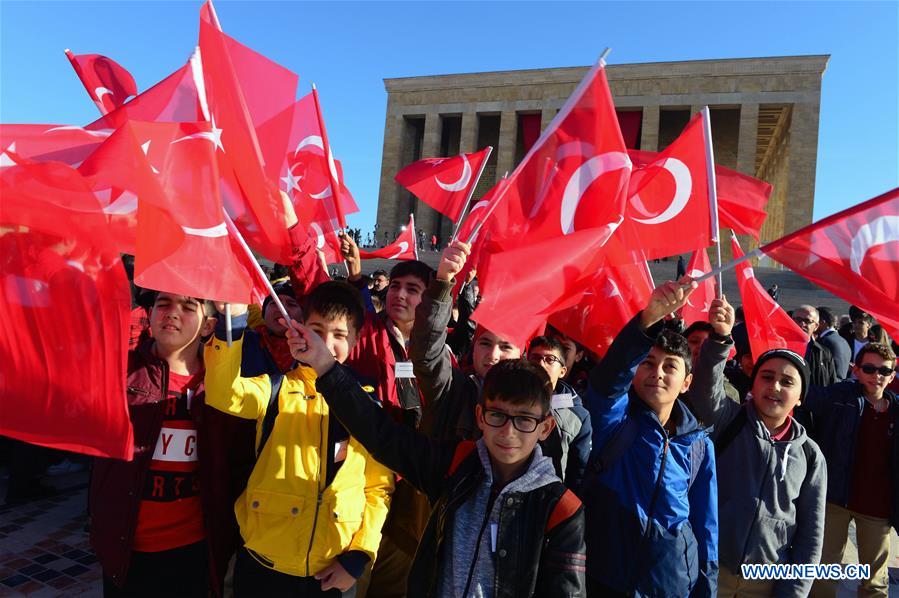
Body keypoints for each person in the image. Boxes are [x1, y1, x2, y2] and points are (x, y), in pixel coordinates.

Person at [285, 318, 587, 596]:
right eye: (498, 415)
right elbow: (382, 434)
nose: (509, 432)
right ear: (480, 416)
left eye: (524, 420)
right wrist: (324, 364)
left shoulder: (561, 509)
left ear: (545, 427)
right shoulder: (456, 466)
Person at [204, 282, 393, 597]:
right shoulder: (277, 389)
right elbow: (225, 394)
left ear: (357, 341)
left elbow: (377, 488)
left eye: (339, 335)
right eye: (316, 330)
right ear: (300, 330)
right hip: (264, 563)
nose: (326, 343)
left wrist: (359, 554)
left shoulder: (367, 406)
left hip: (331, 570)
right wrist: (232, 323)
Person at [90, 292, 239, 597]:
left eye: (187, 307)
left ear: (209, 326)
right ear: (150, 315)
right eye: (164, 304)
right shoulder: (119, 370)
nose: (172, 313)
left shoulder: (224, 386)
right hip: (125, 547)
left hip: (195, 551)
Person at [580, 279, 718, 597]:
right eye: (648, 363)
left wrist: (706, 588)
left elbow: (706, 525)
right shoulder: (615, 422)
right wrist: (648, 321)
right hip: (606, 577)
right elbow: (606, 384)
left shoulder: (699, 445)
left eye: (670, 366)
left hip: (670, 583)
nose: (657, 372)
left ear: (686, 382)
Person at [687, 297, 827, 597]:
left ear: (800, 397)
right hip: (710, 570)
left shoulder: (810, 455)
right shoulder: (730, 420)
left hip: (767, 581)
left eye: (787, 382)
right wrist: (721, 338)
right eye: (767, 377)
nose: (775, 386)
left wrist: (795, 591)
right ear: (753, 384)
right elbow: (703, 392)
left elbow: (811, 537)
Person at [805, 343, 898, 598]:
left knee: (875, 582)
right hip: (836, 498)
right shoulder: (842, 396)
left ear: (892, 374)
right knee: (823, 573)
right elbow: (806, 395)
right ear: (856, 370)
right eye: (869, 368)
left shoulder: (897, 411)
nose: (876, 375)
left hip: (878, 508)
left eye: (884, 370)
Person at [527, 336, 592, 490]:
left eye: (550, 359)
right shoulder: (508, 397)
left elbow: (578, 471)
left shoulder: (579, 415)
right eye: (535, 358)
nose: (541, 364)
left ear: (563, 371)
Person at [791, 305, 837, 387]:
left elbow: (831, 384)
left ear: (816, 326)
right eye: (798, 320)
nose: (802, 324)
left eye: (807, 321)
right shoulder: (780, 347)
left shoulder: (824, 353)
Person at [816, 306, 851, 381]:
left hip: (828, 388)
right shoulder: (843, 341)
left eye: (815, 321)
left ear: (822, 322)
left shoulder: (824, 342)